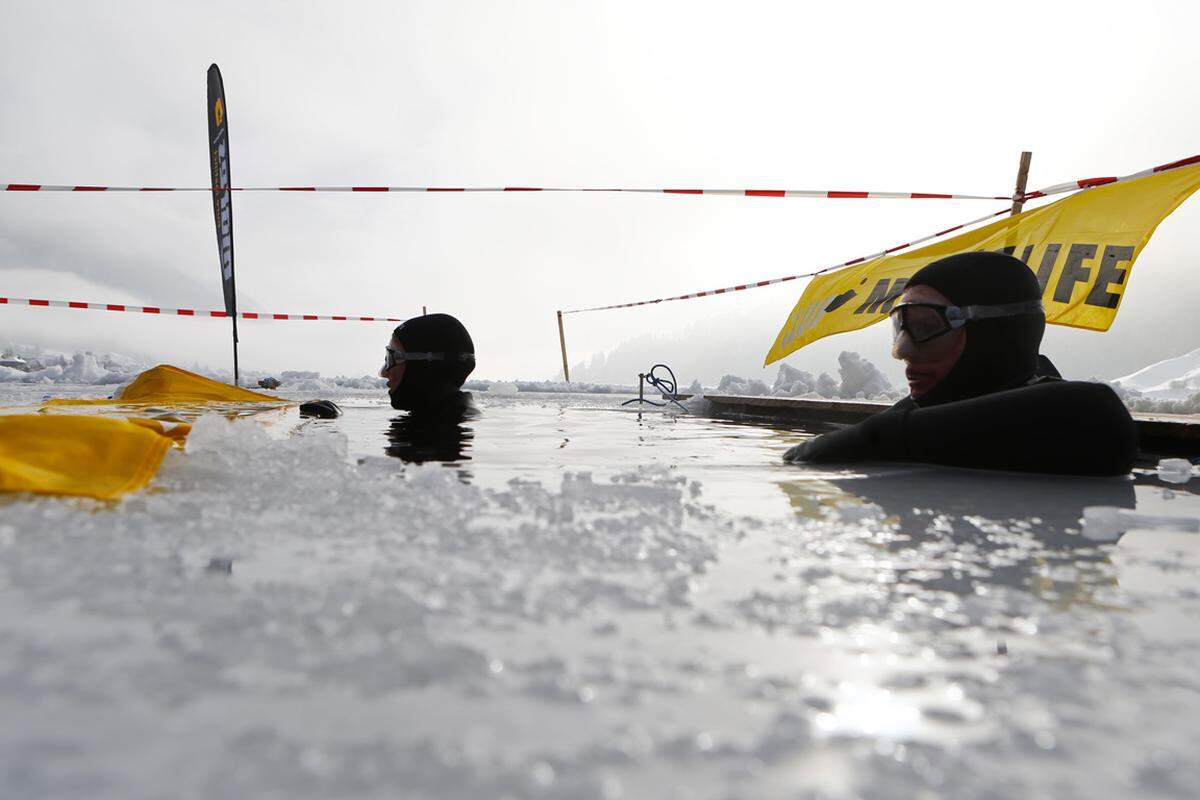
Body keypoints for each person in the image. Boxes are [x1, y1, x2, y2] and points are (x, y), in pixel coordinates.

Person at [784, 251, 1138, 475]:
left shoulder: (1071, 416)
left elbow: (1095, 413)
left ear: (994, 336)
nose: (904, 350)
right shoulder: (927, 411)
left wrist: (871, 438)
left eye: (925, 327)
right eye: (900, 328)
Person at [381, 313, 477, 413]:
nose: (384, 373)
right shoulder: (443, 419)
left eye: (392, 359)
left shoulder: (437, 426)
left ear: (425, 369)